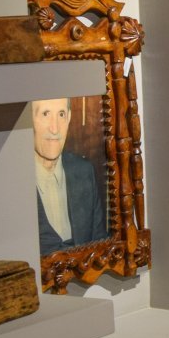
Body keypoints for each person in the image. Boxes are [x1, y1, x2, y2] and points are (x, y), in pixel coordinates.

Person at [32, 97, 107, 254]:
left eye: (61, 114)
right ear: (30, 120)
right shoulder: (14, 182)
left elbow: (101, 248)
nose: (55, 129)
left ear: (69, 118)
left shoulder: (84, 172)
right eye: (45, 114)